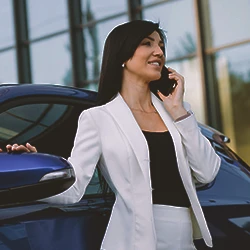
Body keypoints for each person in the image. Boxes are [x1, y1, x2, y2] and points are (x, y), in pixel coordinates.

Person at [3, 20, 221, 250]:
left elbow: (207, 172)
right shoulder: (98, 118)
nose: (159, 51)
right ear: (123, 56)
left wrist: (179, 112)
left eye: (161, 46)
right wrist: (41, 175)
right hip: (132, 242)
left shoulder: (177, 111)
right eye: (147, 43)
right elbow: (74, 188)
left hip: (183, 240)